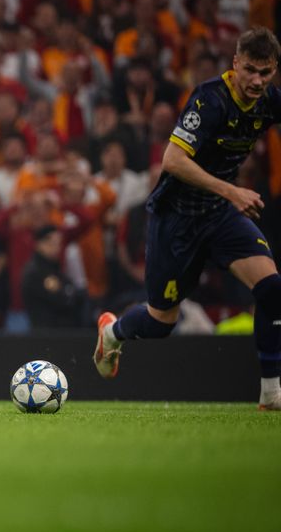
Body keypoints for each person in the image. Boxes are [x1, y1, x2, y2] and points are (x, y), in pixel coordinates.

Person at [94, 28, 281, 409]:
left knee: (272, 288)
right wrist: (232, 190)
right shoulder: (209, 99)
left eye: (266, 72)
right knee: (161, 323)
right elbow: (172, 161)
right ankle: (112, 332)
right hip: (176, 220)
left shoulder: (270, 102)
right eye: (250, 70)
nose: (257, 81)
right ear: (235, 64)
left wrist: (228, 197)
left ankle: (271, 393)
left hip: (219, 216)